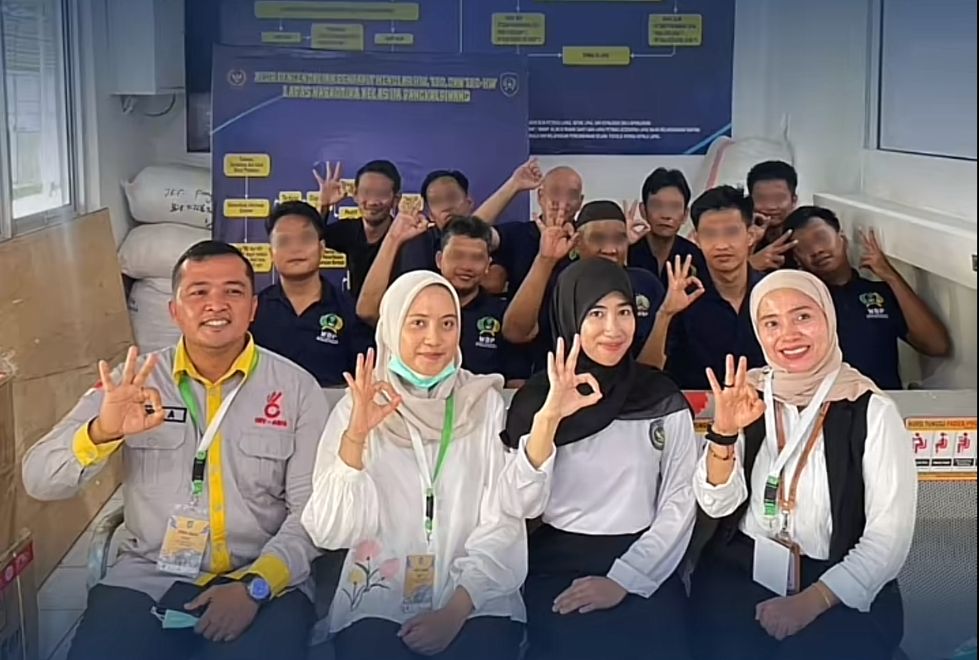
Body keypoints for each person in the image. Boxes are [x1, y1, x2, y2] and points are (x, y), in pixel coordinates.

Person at [23, 241, 326, 660]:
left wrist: (255, 586)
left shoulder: (297, 389)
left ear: (253, 308)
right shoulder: (132, 383)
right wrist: (102, 432)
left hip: (263, 577)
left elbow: (311, 513)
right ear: (174, 310)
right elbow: (37, 479)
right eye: (198, 292)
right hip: (149, 574)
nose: (216, 304)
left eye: (233, 291)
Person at [689, 270, 917, 660]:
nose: (788, 335)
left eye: (803, 316)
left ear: (829, 318)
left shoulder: (870, 409)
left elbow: (888, 538)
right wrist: (724, 432)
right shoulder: (748, 395)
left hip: (838, 582)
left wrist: (812, 601)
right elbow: (716, 504)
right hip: (743, 571)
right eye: (771, 323)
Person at [302, 271, 527, 660]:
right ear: (391, 328)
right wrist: (356, 438)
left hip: (474, 598)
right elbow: (330, 532)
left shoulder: (482, 403)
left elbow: (503, 520)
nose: (434, 339)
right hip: (379, 594)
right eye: (418, 323)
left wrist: (455, 610)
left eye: (447, 323)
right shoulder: (360, 404)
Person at [499, 259, 697, 660]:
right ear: (570, 316)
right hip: (556, 561)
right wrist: (550, 419)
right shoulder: (537, 400)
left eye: (624, 312)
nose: (613, 329)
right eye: (596, 313)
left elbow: (679, 500)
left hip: (647, 558)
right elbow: (517, 505)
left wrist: (626, 577)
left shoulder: (660, 398)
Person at [785, 205, 951, 389]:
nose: (816, 250)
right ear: (797, 259)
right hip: (830, 404)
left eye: (821, 238)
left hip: (884, 401)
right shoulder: (799, 305)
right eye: (804, 247)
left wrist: (890, 275)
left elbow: (936, 345)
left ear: (842, 239)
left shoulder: (879, 293)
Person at [357, 215, 530, 385]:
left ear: (488, 265)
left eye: (476, 258)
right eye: (457, 256)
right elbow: (367, 311)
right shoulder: (412, 303)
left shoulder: (503, 315)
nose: (466, 266)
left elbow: (515, 383)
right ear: (439, 260)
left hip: (480, 402)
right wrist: (393, 239)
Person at [502, 201, 665, 366]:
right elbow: (515, 333)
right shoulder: (560, 281)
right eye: (598, 238)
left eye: (619, 239)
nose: (610, 249)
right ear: (578, 242)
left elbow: (655, 366)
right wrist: (545, 260)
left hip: (631, 380)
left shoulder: (646, 284)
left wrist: (666, 314)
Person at [653, 186, 766, 389]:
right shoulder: (683, 298)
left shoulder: (772, 293)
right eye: (710, 234)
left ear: (750, 236)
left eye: (731, 232)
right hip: (697, 406)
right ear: (697, 240)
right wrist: (666, 314)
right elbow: (649, 373)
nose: (721, 245)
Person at [251, 201, 372, 387]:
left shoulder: (349, 311)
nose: (295, 248)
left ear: (321, 248)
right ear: (271, 252)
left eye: (305, 239)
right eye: (284, 241)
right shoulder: (253, 311)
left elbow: (364, 379)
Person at [474, 159, 582, 296]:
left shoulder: (586, 239)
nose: (562, 201)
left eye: (572, 194)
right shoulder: (518, 234)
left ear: (580, 202)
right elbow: (469, 232)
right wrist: (514, 185)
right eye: (555, 191)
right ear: (540, 196)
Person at [315, 159, 402, 298]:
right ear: (355, 195)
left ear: (396, 199)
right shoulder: (349, 230)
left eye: (381, 194)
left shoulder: (404, 237)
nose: (373, 202)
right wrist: (324, 206)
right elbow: (313, 238)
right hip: (354, 310)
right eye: (366, 192)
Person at [628, 168, 709, 285]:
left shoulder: (695, 257)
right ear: (643, 210)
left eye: (674, 207)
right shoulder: (629, 252)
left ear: (685, 215)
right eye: (657, 205)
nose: (666, 215)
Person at [394, 169, 477, 276]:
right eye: (437, 202)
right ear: (430, 215)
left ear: (469, 202)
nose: (447, 207)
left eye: (452, 198)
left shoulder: (488, 237)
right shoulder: (417, 244)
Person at [747, 160, 799, 272]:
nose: (771, 206)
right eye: (762, 199)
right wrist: (750, 265)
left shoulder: (805, 232)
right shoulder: (738, 236)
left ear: (794, 200)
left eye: (779, 198)